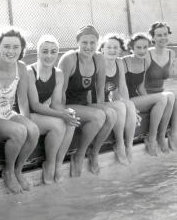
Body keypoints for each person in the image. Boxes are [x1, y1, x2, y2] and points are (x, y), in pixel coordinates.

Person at [0, 27, 40, 193]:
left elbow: (22, 99)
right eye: (7, 46)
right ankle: (8, 172)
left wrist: (27, 122)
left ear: (21, 49)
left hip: (7, 113)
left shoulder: (22, 67)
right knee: (19, 132)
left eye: (16, 47)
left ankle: (18, 170)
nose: (11, 51)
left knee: (33, 130)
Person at [58, 25, 117, 176]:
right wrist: (63, 113)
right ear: (77, 42)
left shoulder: (99, 58)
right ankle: (79, 155)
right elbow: (60, 91)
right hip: (67, 104)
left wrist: (103, 108)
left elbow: (100, 89)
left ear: (97, 43)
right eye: (84, 42)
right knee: (98, 116)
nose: (88, 46)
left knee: (111, 114)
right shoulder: (69, 59)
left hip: (85, 104)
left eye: (92, 43)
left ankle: (94, 152)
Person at [27, 35, 80, 184]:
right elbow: (35, 105)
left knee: (71, 120)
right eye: (44, 51)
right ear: (38, 53)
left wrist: (66, 113)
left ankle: (58, 164)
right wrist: (62, 115)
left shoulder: (58, 74)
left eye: (53, 52)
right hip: (27, 114)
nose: (49, 55)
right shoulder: (29, 72)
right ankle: (49, 164)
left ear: (57, 53)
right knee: (58, 124)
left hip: (42, 113)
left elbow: (56, 103)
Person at [123, 33, 168, 155]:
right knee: (162, 99)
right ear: (131, 47)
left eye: (145, 47)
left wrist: (148, 100)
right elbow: (120, 88)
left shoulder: (143, 62)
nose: (142, 51)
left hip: (135, 99)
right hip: (125, 100)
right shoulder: (124, 62)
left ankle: (162, 135)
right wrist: (130, 108)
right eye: (138, 47)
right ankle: (151, 138)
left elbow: (140, 87)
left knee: (166, 99)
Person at [99, 34, 138, 162]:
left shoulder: (119, 62)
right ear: (102, 49)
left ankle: (129, 146)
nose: (112, 50)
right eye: (108, 47)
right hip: (95, 102)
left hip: (107, 102)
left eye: (116, 47)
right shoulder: (98, 63)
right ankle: (119, 144)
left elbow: (122, 88)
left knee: (130, 105)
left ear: (120, 49)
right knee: (121, 106)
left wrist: (131, 111)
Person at [145, 22, 177, 151]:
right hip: (146, 95)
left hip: (161, 93)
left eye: (165, 34)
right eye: (159, 35)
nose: (163, 37)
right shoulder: (147, 54)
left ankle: (172, 134)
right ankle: (156, 137)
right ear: (153, 38)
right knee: (168, 96)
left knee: (174, 96)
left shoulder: (171, 53)